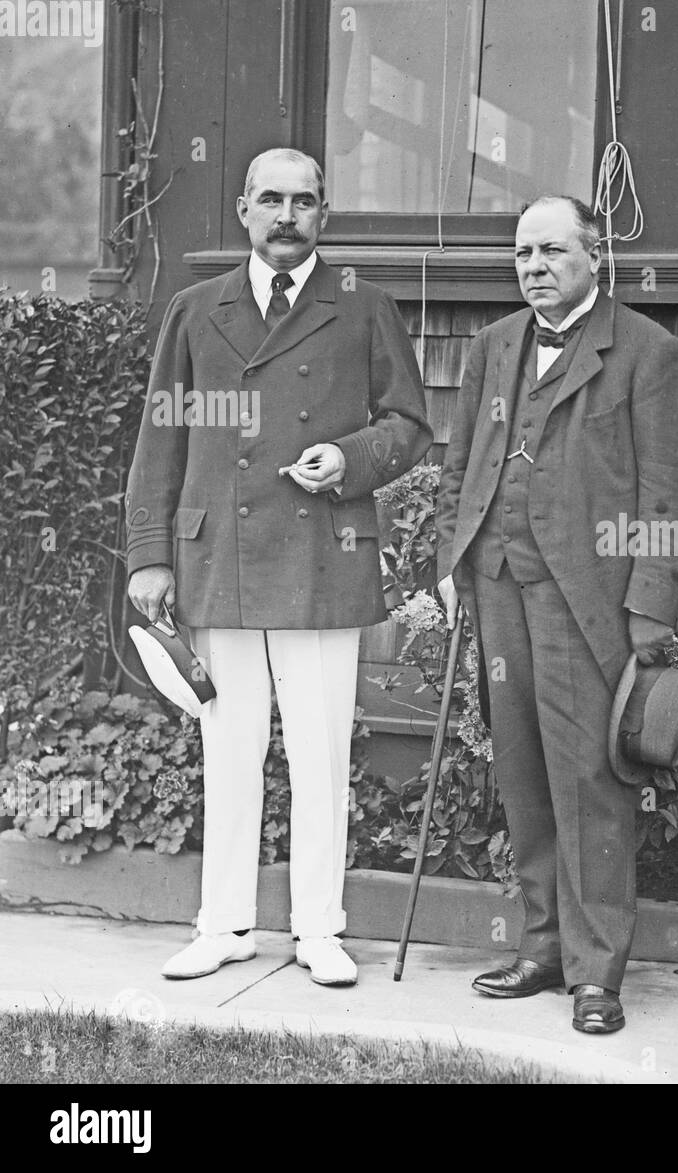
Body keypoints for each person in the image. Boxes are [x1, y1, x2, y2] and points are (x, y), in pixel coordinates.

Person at [125, 148, 433, 986]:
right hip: (217, 559)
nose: (287, 214)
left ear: (324, 214)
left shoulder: (362, 306)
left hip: (320, 561)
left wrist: (349, 455)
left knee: (320, 752)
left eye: (304, 200)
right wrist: (149, 555)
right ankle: (222, 922)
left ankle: (318, 928)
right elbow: (162, 437)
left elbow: (409, 423)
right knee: (228, 747)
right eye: (271, 199)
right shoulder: (196, 310)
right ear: (243, 210)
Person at [436, 195, 678, 1034]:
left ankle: (597, 972)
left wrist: (650, 612)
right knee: (521, 773)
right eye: (523, 253)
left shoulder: (649, 355)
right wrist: (451, 558)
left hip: (585, 604)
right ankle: (544, 945)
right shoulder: (492, 346)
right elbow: (460, 464)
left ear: (596, 256)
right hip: (497, 587)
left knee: (590, 783)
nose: (534, 267)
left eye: (552, 251)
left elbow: (672, 495)